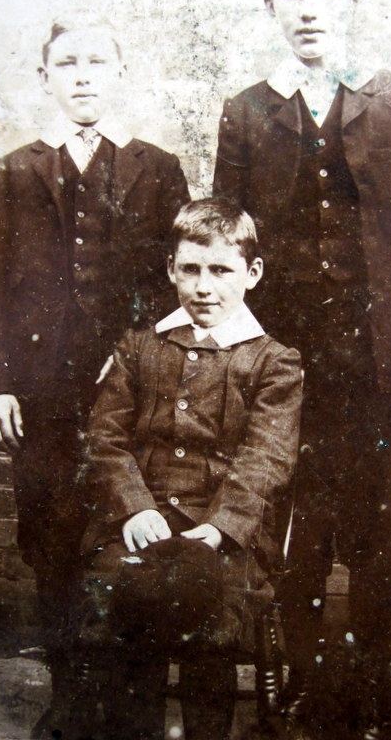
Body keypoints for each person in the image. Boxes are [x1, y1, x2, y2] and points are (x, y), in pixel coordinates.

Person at [213, 0, 391, 737]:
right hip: (286, 368)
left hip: (382, 364)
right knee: (297, 533)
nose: (309, 7)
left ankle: (372, 699)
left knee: (380, 535)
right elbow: (225, 240)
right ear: (271, 10)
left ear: (350, 3)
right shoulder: (248, 110)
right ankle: (303, 700)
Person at [0, 14, 189, 738]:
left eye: (97, 61)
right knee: (53, 536)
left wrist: (138, 358)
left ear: (119, 73)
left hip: (132, 391)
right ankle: (67, 693)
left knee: (131, 527)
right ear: (45, 79)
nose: (83, 75)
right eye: (67, 64)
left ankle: (130, 700)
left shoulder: (157, 168)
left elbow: (172, 287)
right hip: (40, 394)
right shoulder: (16, 170)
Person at [72, 198, 302, 740]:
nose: (204, 287)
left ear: (251, 274)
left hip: (224, 527)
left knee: (211, 606)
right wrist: (134, 507)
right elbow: (104, 438)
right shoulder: (138, 346)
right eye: (191, 269)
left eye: (221, 271)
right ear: (172, 269)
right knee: (126, 592)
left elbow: (267, 457)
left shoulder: (273, 360)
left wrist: (220, 529)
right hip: (141, 517)